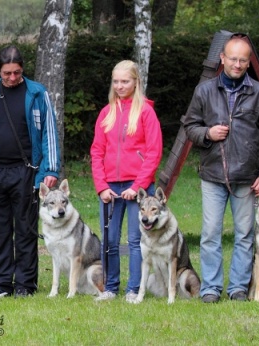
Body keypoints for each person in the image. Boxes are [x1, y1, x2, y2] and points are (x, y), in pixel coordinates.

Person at [182, 36, 259, 303]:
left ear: (249, 63)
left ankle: (238, 287)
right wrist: (208, 133)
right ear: (222, 58)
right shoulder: (204, 91)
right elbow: (190, 127)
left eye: (242, 60)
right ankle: (211, 288)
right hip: (213, 174)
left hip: (248, 179)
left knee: (245, 235)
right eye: (232, 58)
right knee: (211, 233)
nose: (237, 64)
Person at [0, 45, 61, 298]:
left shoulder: (37, 93)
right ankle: (0, 284)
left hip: (27, 172)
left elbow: (49, 133)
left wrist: (50, 168)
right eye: (7, 73)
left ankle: (25, 284)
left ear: (23, 68)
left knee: (26, 229)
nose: (12, 78)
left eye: (17, 72)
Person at [90, 60, 163, 302]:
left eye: (125, 81)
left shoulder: (145, 111)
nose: (120, 86)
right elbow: (97, 151)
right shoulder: (106, 112)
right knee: (109, 240)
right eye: (116, 81)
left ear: (135, 82)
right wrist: (101, 187)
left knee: (135, 240)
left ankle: (133, 289)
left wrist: (137, 187)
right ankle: (110, 287)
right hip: (110, 187)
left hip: (137, 188)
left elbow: (154, 152)